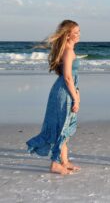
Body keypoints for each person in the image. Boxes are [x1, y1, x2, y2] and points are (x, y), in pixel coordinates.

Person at [26, 20, 81, 175]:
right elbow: (68, 77)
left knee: (65, 127)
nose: (79, 35)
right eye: (75, 32)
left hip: (65, 91)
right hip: (64, 93)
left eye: (79, 32)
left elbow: (72, 78)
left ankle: (64, 161)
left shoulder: (68, 49)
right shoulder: (68, 51)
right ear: (67, 34)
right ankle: (55, 164)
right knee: (61, 127)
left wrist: (78, 93)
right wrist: (75, 98)